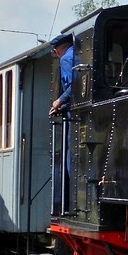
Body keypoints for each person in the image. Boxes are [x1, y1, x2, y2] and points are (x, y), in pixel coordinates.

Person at [49, 33, 74, 212]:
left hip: (76, 115)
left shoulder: (66, 59)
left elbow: (76, 86)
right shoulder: (76, 55)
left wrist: (59, 101)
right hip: (71, 109)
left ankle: (70, 199)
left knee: (69, 156)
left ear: (58, 49)